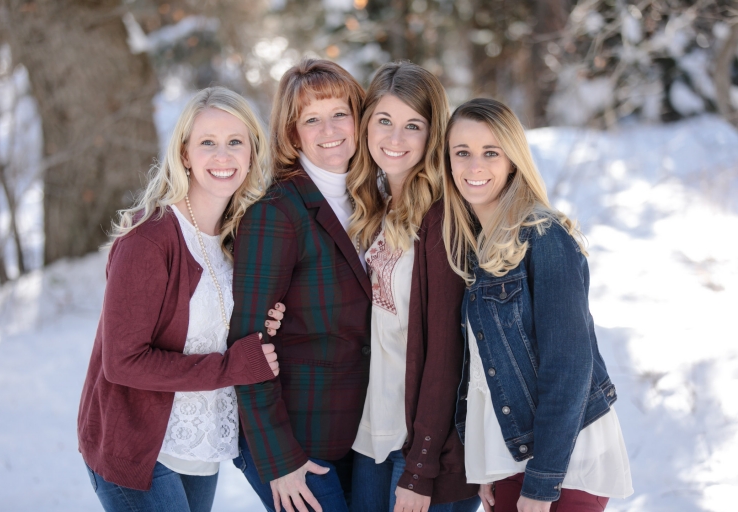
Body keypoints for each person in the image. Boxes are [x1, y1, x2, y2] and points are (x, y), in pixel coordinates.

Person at [77, 87, 285, 512]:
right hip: (141, 448)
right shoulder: (151, 237)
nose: (222, 155)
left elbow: (214, 323)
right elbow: (123, 361)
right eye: (207, 142)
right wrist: (232, 367)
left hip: (200, 444)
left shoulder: (237, 238)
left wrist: (265, 322)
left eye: (235, 142)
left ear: (252, 153)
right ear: (185, 154)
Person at [442, 98, 633, 512]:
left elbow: (570, 367)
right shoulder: (475, 244)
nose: (475, 166)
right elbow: (484, 368)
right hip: (511, 453)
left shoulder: (543, 237)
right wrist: (488, 459)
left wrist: (543, 482)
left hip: (565, 460)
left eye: (491, 152)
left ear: (513, 160)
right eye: (462, 153)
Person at [227, 59, 371, 512]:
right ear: (293, 134)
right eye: (312, 119)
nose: (329, 128)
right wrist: (278, 458)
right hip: (294, 440)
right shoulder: (277, 211)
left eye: (339, 113)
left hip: (355, 435)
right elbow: (247, 343)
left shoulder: (370, 199)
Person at [345, 61, 479, 512]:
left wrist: (421, 467)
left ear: (433, 134)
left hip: (429, 452)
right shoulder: (374, 210)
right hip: (373, 436)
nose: (395, 139)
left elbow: (447, 354)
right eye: (384, 121)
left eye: (412, 125)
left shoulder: (443, 220)